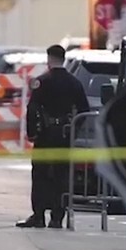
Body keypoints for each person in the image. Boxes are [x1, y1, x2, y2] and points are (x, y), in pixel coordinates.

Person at [17, 45, 90, 229]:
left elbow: (32, 109)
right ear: (64, 59)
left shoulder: (42, 81)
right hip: (64, 135)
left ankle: (39, 215)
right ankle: (57, 217)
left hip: (45, 135)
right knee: (61, 175)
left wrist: (32, 132)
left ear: (49, 59)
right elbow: (84, 110)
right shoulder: (74, 83)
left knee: (40, 173)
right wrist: (74, 129)